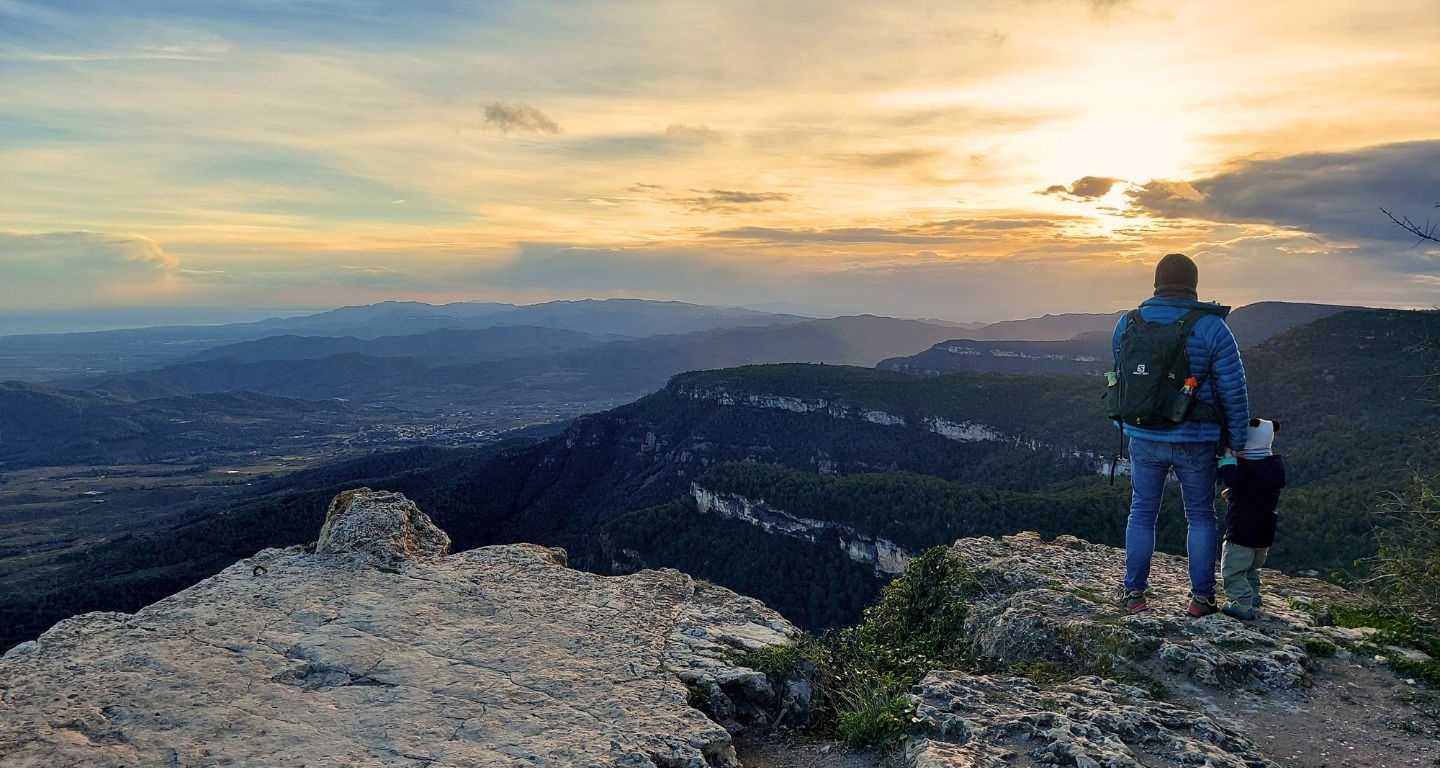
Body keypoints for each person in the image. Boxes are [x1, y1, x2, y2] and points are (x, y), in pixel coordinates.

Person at [1114, 253, 1249, 616]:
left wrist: (1124, 425)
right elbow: (1232, 391)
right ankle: (1201, 598)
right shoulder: (1211, 328)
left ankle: (1134, 595)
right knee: (1201, 515)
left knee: (1142, 512)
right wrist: (1236, 442)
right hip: (1196, 438)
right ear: (1194, 285)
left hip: (1144, 434)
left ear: (1156, 283)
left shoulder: (1128, 323)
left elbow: (1124, 381)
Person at [1217, 418, 1287, 620]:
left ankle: (1242, 603)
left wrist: (1228, 457)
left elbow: (1230, 476)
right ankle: (1254, 596)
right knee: (1253, 567)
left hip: (1242, 530)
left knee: (1233, 570)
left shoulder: (1246, 469)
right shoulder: (1274, 467)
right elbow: (1250, 487)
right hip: (1265, 531)